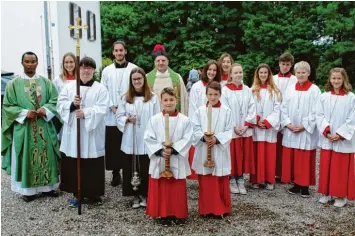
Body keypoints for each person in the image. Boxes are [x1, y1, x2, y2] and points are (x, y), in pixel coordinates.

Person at [2, 51, 61, 202]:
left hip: (44, 125)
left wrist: (45, 109)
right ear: (22, 63)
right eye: (27, 61)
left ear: (37, 62)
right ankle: (28, 191)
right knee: (27, 155)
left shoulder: (46, 82)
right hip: (25, 129)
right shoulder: (13, 84)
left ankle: (48, 188)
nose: (30, 64)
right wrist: (24, 113)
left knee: (47, 153)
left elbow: (55, 100)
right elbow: (8, 106)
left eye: (33, 61)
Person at [57, 57, 110, 207]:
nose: (86, 70)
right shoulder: (69, 87)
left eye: (89, 68)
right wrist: (72, 105)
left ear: (94, 70)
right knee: (75, 162)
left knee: (92, 162)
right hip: (74, 132)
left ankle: (94, 194)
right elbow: (60, 105)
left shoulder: (100, 88)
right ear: (78, 69)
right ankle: (77, 193)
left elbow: (102, 108)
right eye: (83, 67)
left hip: (92, 133)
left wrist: (85, 112)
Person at [144, 87, 193, 226]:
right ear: (161, 101)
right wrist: (159, 151)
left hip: (176, 158)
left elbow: (188, 138)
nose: (169, 102)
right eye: (165, 100)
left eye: (171, 99)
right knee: (163, 188)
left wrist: (174, 150)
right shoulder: (154, 119)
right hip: (160, 159)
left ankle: (178, 214)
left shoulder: (184, 120)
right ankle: (163, 214)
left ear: (176, 100)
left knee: (176, 187)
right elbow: (148, 138)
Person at [116, 67, 160, 209]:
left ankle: (146, 195)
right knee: (130, 167)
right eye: (134, 79)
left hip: (147, 138)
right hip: (131, 138)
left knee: (146, 167)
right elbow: (118, 117)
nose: (137, 81)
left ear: (144, 79)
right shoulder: (125, 98)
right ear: (131, 81)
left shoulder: (153, 98)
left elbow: (157, 117)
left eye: (139, 79)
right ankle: (134, 195)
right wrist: (127, 119)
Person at [192, 81, 233, 217]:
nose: (213, 97)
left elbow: (229, 130)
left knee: (219, 178)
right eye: (210, 94)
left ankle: (220, 209)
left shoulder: (226, 111)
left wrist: (217, 139)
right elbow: (195, 129)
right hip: (204, 149)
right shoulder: (199, 111)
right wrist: (204, 138)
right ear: (206, 94)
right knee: (206, 178)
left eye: (216, 94)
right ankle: (206, 208)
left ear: (220, 94)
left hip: (219, 150)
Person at [280, 61, 321, 197]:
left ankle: (305, 186)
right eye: (298, 72)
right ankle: (296, 183)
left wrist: (304, 126)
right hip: (291, 128)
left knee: (304, 158)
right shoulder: (290, 88)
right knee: (294, 158)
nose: (301, 74)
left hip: (305, 130)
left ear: (308, 73)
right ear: (295, 73)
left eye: (303, 72)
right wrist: (287, 123)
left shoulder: (314, 90)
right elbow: (283, 107)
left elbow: (316, 111)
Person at [316, 68, 355, 207]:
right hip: (328, 137)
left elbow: (352, 119)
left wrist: (340, 134)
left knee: (340, 168)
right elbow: (318, 115)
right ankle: (326, 193)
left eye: (339, 78)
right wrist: (326, 132)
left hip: (342, 140)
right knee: (326, 165)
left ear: (344, 79)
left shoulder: (351, 98)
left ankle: (340, 195)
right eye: (334, 78)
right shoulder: (324, 96)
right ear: (330, 79)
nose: (336, 81)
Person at [101, 40, 137, 187]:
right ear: (113, 52)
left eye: (121, 50)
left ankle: (129, 173)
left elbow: (137, 87)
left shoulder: (134, 69)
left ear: (126, 51)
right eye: (116, 51)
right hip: (112, 113)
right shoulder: (107, 70)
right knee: (114, 144)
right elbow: (103, 91)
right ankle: (116, 174)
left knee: (128, 142)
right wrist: (111, 106)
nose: (119, 53)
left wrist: (126, 109)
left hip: (128, 111)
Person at [221, 63, 256, 195]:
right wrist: (234, 126)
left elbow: (252, 107)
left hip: (244, 129)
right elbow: (225, 109)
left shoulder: (247, 89)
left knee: (242, 155)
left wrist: (246, 124)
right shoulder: (225, 90)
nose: (238, 75)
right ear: (230, 75)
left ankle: (240, 179)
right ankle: (232, 179)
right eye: (235, 73)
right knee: (232, 155)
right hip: (232, 130)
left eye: (240, 72)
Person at [188, 60, 221, 179]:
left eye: (214, 70)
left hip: (216, 126)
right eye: (209, 69)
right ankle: (201, 176)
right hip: (200, 125)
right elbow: (193, 107)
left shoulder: (219, 86)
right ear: (205, 70)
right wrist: (198, 127)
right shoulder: (197, 86)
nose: (211, 72)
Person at [250, 64, 281, 190]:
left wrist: (267, 122)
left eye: (265, 73)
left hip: (269, 129)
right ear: (257, 74)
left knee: (269, 155)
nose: (263, 75)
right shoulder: (252, 90)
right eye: (261, 72)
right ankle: (256, 180)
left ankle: (269, 179)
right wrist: (256, 120)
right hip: (257, 128)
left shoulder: (275, 91)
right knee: (256, 155)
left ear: (269, 75)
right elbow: (250, 108)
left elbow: (277, 110)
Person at [273, 53, 297, 180]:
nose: (285, 67)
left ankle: (287, 174)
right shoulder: (273, 78)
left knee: (287, 147)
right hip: (275, 114)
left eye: (288, 65)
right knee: (275, 146)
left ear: (291, 65)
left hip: (288, 115)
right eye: (283, 64)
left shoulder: (295, 79)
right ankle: (275, 173)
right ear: (279, 64)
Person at [146, 44, 188, 115]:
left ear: (167, 62)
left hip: (173, 117)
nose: (161, 63)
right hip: (154, 117)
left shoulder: (177, 77)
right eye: (158, 61)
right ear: (154, 63)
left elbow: (184, 99)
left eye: (163, 60)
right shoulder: (147, 78)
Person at [52, 52, 78, 141]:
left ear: (75, 63)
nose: (69, 65)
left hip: (78, 113)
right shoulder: (58, 80)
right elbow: (55, 98)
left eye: (71, 62)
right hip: (64, 114)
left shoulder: (80, 78)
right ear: (63, 64)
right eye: (66, 62)